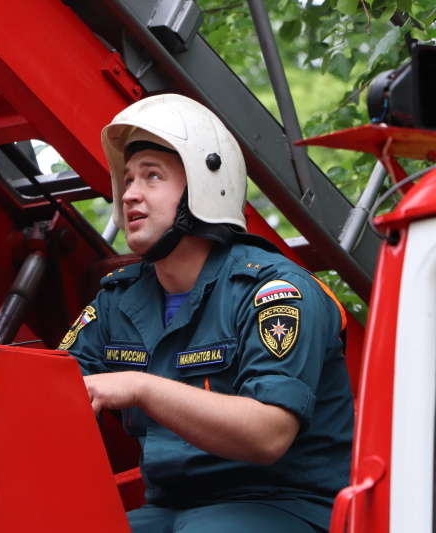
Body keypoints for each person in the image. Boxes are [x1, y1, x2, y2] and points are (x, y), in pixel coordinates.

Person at [58, 94, 353, 533]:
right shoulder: (116, 301)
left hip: (287, 504)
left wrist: (139, 386)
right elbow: (47, 390)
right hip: (172, 509)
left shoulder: (273, 292)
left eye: (152, 176)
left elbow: (268, 433)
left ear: (204, 186)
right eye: (128, 179)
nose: (131, 194)